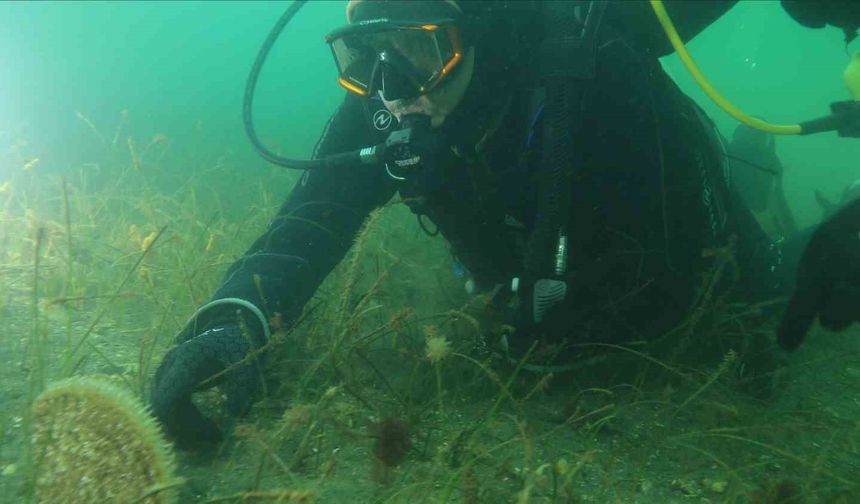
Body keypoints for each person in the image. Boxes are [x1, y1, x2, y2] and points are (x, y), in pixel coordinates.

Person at [150, 0, 860, 449]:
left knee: (764, 296)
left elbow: (671, 275)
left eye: (423, 50)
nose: (393, 90)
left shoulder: (593, 73)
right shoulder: (389, 100)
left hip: (674, 230)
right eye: (367, 56)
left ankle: (769, 172)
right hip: (540, 262)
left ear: (477, 33)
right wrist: (234, 320)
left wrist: (557, 328)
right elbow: (311, 220)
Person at [727, 123, 798, 238]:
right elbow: (768, 203)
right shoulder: (766, 161)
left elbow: (776, 201)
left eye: (761, 136)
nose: (759, 139)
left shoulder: (770, 161)